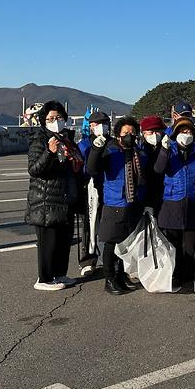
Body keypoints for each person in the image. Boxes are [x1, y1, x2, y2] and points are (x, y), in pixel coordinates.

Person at [24, 101, 85, 291]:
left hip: (65, 199)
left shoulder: (68, 140)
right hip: (46, 201)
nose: (55, 121)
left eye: (58, 118)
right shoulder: (39, 141)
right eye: (50, 118)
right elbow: (34, 170)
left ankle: (60, 274)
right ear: (43, 121)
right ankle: (44, 279)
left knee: (63, 242)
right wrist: (49, 153)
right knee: (47, 244)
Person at [87, 116, 150, 295]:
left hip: (134, 203)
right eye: (125, 133)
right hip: (115, 202)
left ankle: (121, 275)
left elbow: (144, 180)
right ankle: (109, 278)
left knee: (126, 243)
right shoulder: (110, 151)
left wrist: (144, 202)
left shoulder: (139, 153)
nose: (129, 135)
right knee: (110, 243)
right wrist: (96, 149)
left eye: (132, 132)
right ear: (118, 135)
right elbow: (92, 168)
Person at [154, 116, 195, 290]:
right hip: (172, 203)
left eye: (189, 132)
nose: (186, 135)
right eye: (182, 132)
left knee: (190, 245)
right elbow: (158, 169)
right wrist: (164, 150)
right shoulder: (169, 149)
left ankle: (188, 277)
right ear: (176, 134)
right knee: (172, 245)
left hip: (193, 203)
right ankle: (173, 276)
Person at [76, 110, 111, 276]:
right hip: (90, 189)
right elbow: (81, 169)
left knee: (108, 224)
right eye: (96, 124)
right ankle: (88, 260)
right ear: (90, 127)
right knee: (89, 224)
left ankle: (108, 257)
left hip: (110, 189)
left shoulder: (113, 143)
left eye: (104, 123)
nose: (101, 127)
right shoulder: (84, 144)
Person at [140, 115, 167, 218]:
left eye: (157, 131)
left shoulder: (168, 148)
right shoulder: (140, 150)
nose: (155, 135)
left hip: (166, 196)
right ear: (143, 133)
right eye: (151, 132)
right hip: (146, 197)